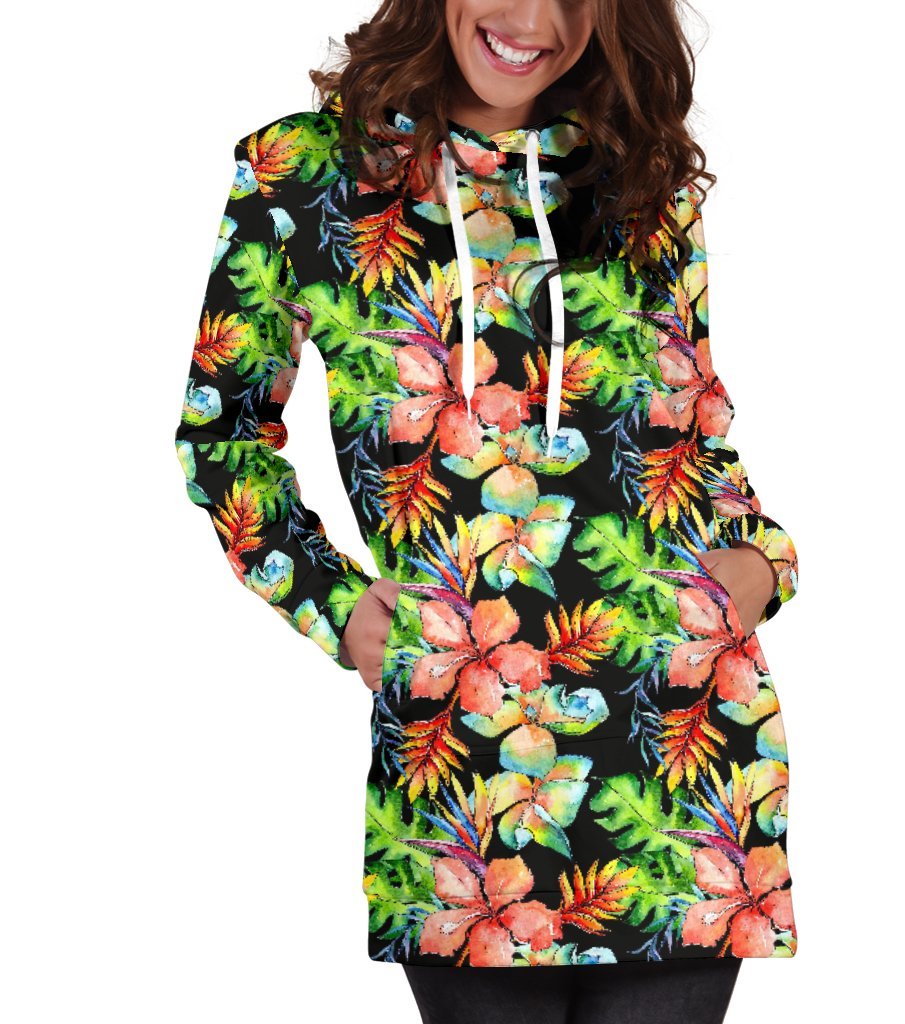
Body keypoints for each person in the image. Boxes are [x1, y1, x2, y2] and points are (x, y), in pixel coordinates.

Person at [172, 1, 800, 1020]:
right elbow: (222, 433)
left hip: (683, 767)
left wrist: (760, 559)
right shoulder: (303, 176)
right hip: (460, 779)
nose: (532, 17)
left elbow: (691, 437)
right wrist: (331, 602)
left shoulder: (640, 177)